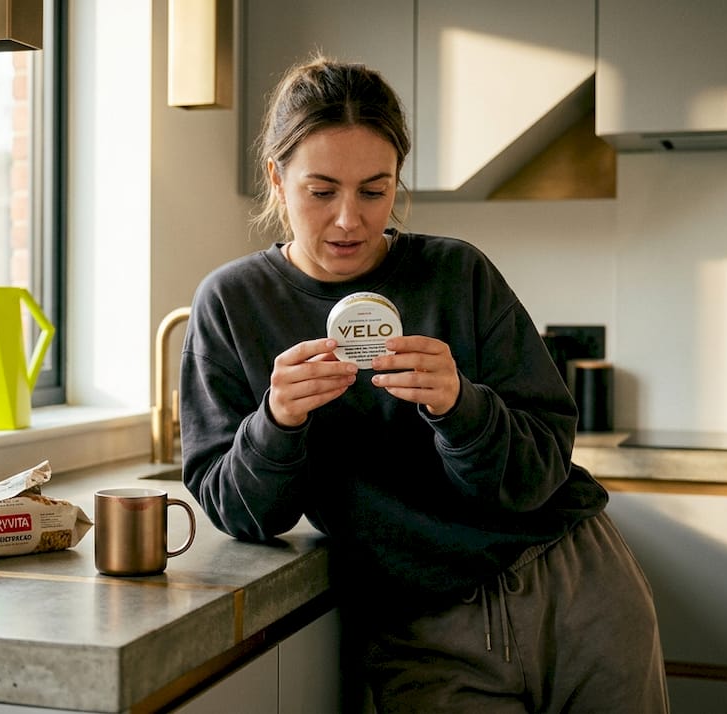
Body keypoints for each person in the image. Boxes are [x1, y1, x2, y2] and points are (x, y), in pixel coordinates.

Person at [178, 55, 668, 713]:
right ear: (277, 177)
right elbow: (240, 512)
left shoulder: (457, 273)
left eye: (374, 190)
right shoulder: (234, 305)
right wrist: (277, 423)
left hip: (575, 586)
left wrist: (462, 407)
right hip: (420, 627)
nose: (349, 219)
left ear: (398, 181)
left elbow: (542, 464)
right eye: (321, 191)